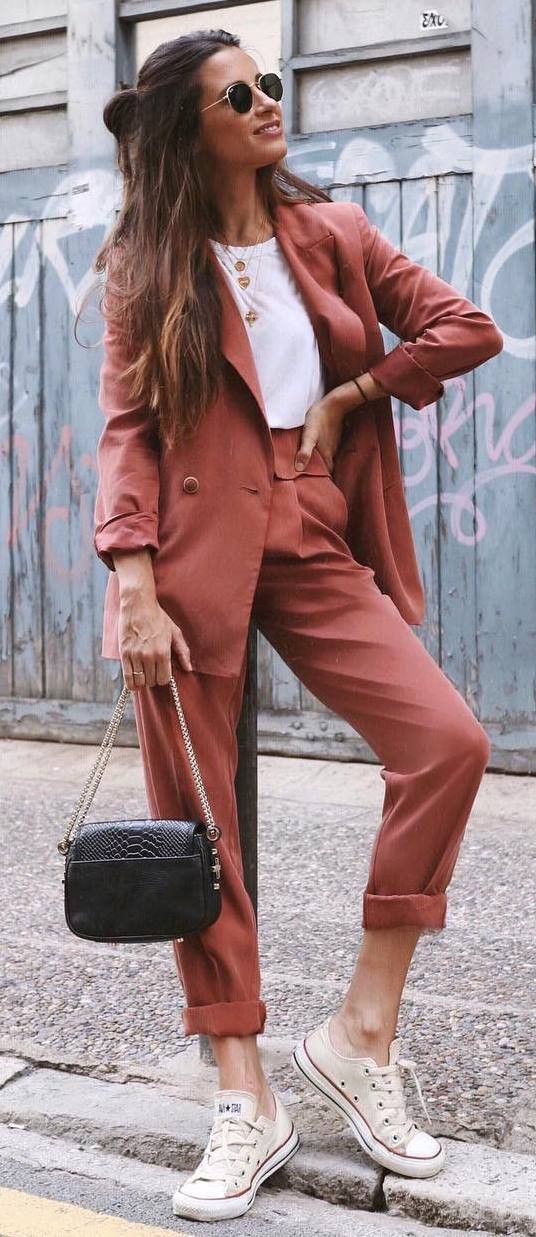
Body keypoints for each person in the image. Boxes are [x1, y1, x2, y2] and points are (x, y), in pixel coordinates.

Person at [88, 27, 503, 1225]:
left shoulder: (331, 236)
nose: (269, 102)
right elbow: (125, 429)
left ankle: (359, 1032)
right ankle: (241, 1089)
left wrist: (353, 389)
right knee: (196, 823)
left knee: (445, 742)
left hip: (310, 527)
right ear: (192, 128)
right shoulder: (146, 265)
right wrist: (132, 582)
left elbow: (461, 327)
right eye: (240, 94)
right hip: (184, 553)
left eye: (270, 84)